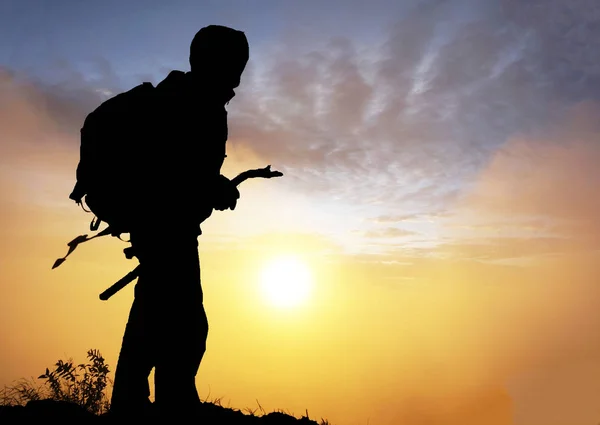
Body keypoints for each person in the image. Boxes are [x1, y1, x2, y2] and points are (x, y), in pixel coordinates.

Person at [108, 25, 249, 417]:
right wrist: (215, 190)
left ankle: (136, 403)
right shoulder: (191, 103)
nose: (239, 76)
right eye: (236, 64)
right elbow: (173, 172)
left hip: (165, 228)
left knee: (154, 317)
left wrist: (213, 187)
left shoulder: (189, 98)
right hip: (166, 230)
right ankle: (168, 403)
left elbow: (186, 170)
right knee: (185, 323)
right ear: (216, 62)